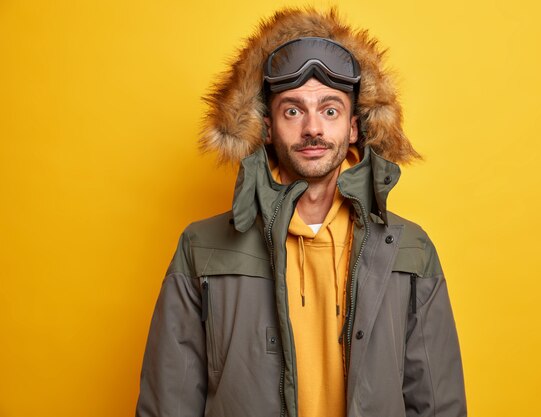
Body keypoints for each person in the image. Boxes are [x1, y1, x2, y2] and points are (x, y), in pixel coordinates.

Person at [136, 8, 466, 417]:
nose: (312, 128)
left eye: (330, 110)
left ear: (353, 128)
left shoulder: (409, 249)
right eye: (293, 110)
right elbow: (169, 401)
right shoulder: (202, 247)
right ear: (268, 127)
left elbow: (437, 403)